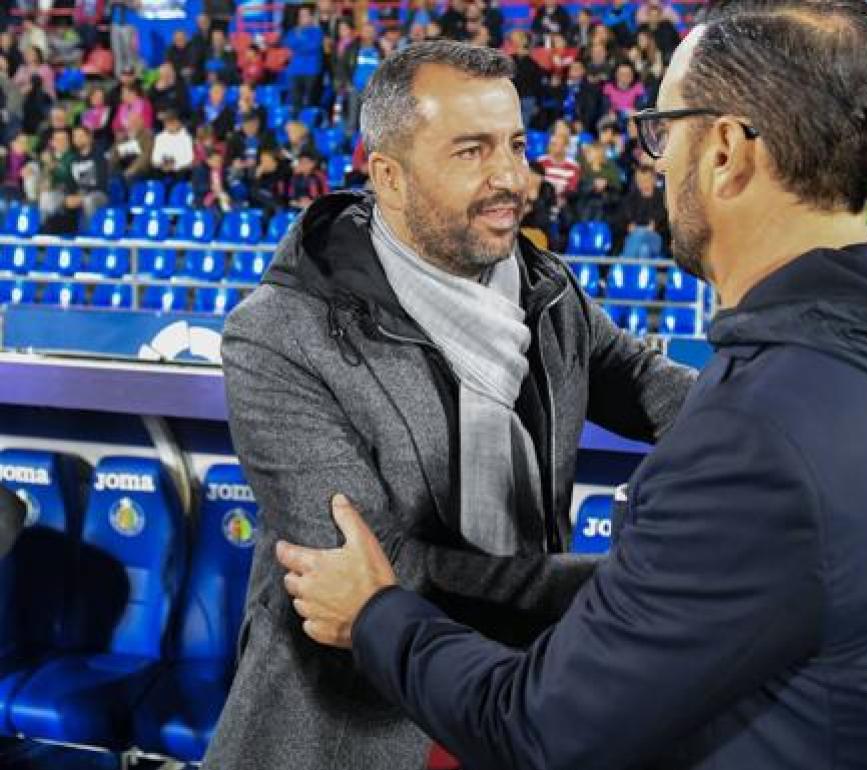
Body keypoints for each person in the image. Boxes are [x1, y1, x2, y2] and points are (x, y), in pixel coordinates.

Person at [274, 4, 867, 769]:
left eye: (663, 129)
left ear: (725, 152)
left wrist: (378, 616)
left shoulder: (758, 437)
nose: (657, 161)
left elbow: (544, 729)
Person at [202, 40, 695, 770]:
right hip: (357, 732)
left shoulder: (544, 289)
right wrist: (627, 586)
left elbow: (647, 382)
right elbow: (380, 575)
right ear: (389, 177)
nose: (510, 178)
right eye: (472, 151)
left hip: (510, 703)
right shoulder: (280, 334)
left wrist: (786, 413)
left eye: (516, 145)